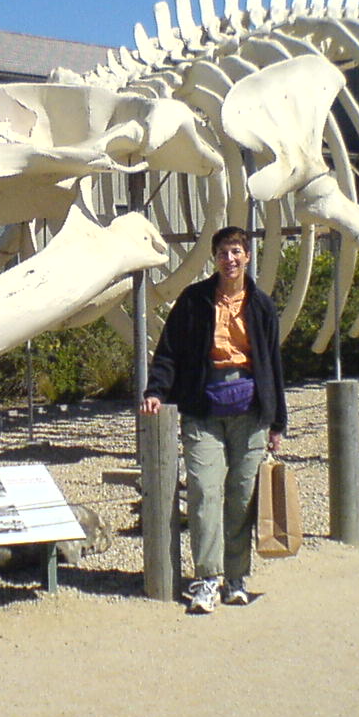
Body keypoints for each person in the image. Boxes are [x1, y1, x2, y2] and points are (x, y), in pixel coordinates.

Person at [140, 225, 287, 613]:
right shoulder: (193, 301)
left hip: (250, 414)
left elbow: (273, 363)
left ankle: (236, 578)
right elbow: (169, 351)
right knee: (205, 492)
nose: (230, 259)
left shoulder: (261, 305)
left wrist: (276, 423)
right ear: (214, 258)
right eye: (223, 252)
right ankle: (207, 577)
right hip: (204, 411)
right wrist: (156, 390)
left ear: (248, 256)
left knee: (242, 498)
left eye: (237, 251)